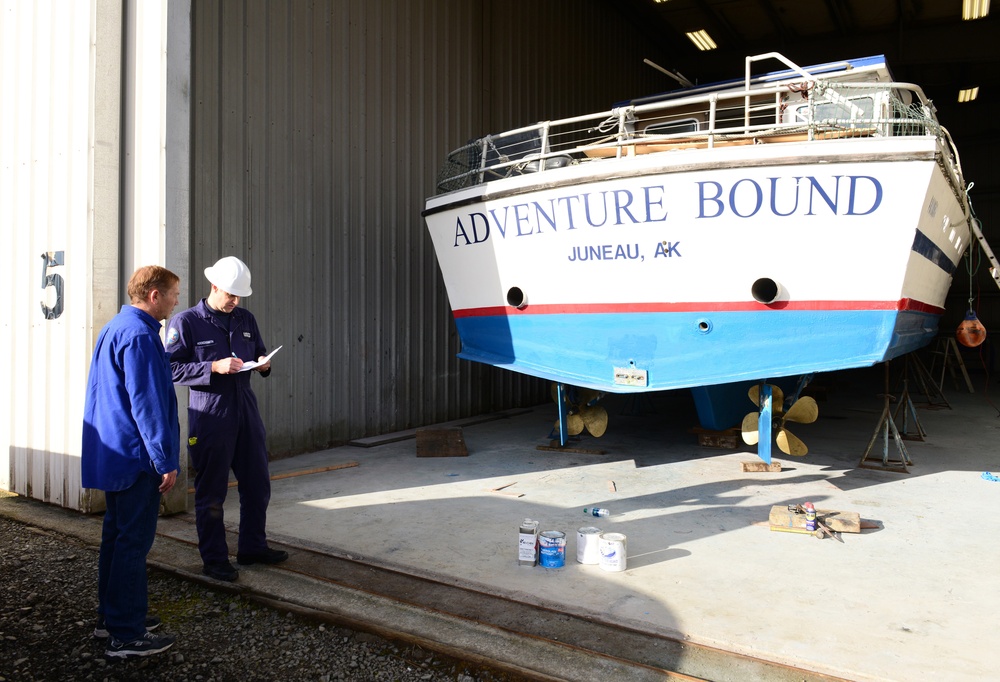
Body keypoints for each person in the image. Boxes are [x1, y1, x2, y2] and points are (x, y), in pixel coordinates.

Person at [166, 256, 287, 582]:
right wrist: (212, 367)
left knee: (257, 484)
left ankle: (252, 547)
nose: (235, 301)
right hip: (210, 413)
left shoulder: (245, 319)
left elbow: (259, 353)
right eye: (230, 294)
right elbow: (170, 368)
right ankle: (215, 559)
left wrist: (263, 364)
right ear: (214, 286)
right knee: (213, 491)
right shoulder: (186, 322)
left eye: (239, 296)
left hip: (245, 409)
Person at [81, 265, 181, 659]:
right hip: (136, 458)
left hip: (114, 454)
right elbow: (148, 404)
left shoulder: (116, 327)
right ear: (154, 295)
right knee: (132, 544)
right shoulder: (140, 335)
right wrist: (164, 459)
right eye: (173, 293)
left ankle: (112, 618)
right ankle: (127, 633)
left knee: (117, 537)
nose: (176, 300)